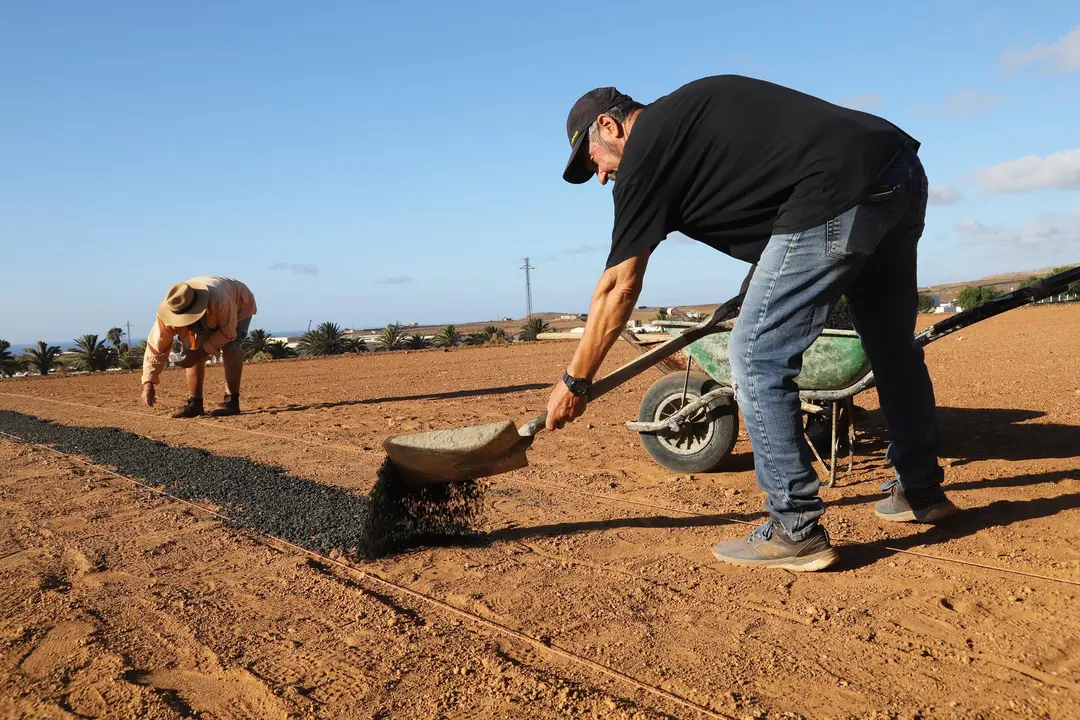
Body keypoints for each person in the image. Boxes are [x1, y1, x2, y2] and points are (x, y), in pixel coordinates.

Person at [544, 75, 957, 572]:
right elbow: (773, 192)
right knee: (891, 344)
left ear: (608, 126)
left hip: (836, 190)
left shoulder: (646, 151)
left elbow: (618, 287)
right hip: (898, 172)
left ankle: (794, 526)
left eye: (595, 163)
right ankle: (920, 489)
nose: (604, 177)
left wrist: (575, 380)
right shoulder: (690, 114)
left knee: (756, 354)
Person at [140, 276, 257, 418]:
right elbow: (156, 346)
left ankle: (232, 402)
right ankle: (195, 404)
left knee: (231, 347)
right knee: (192, 348)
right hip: (215, 310)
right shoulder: (169, 309)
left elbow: (228, 332)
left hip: (239, 304)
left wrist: (200, 353)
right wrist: (148, 382)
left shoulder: (219, 299)